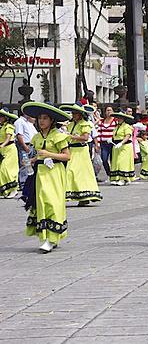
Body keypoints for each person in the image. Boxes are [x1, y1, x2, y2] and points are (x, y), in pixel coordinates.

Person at [21, 102, 71, 253]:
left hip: (55, 172)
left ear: (51, 120)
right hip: (41, 173)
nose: (41, 121)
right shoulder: (36, 137)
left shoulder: (58, 136)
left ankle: (52, 237)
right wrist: (31, 161)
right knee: (42, 202)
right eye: (39, 118)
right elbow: (37, 155)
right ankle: (47, 238)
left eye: (45, 118)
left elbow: (67, 156)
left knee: (53, 202)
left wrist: (50, 154)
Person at [60, 103, 102, 206]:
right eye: (72, 113)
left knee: (77, 172)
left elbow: (85, 137)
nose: (73, 115)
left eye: (75, 113)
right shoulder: (70, 124)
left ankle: (83, 194)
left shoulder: (85, 124)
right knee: (71, 172)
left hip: (81, 150)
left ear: (80, 114)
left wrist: (70, 136)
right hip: (72, 150)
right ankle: (79, 195)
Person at [110, 111, 135, 186]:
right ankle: (116, 178)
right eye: (118, 118)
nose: (119, 119)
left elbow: (127, 136)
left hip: (125, 146)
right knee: (115, 162)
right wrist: (111, 140)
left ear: (123, 118)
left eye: (120, 118)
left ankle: (124, 179)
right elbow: (115, 135)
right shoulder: (117, 126)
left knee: (122, 162)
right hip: (116, 146)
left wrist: (121, 143)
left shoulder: (126, 126)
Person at [14, 109, 37, 189]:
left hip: (31, 145)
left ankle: (28, 182)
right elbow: (19, 135)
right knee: (25, 164)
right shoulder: (19, 121)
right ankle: (23, 184)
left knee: (30, 164)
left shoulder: (28, 122)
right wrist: (24, 146)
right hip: (25, 146)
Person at [0, 108, 19, 198]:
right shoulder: (2, 126)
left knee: (6, 169)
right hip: (3, 150)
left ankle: (14, 189)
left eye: (1, 116)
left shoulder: (9, 126)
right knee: (2, 170)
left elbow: (8, 137)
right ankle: (6, 190)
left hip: (10, 149)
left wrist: (2, 145)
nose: (0, 118)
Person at [96, 106, 117, 182]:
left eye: (110, 110)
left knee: (113, 160)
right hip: (103, 143)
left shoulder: (116, 121)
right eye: (107, 110)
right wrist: (97, 144)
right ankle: (109, 174)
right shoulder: (102, 121)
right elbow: (98, 133)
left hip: (112, 143)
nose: (109, 112)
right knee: (104, 159)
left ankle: (114, 175)